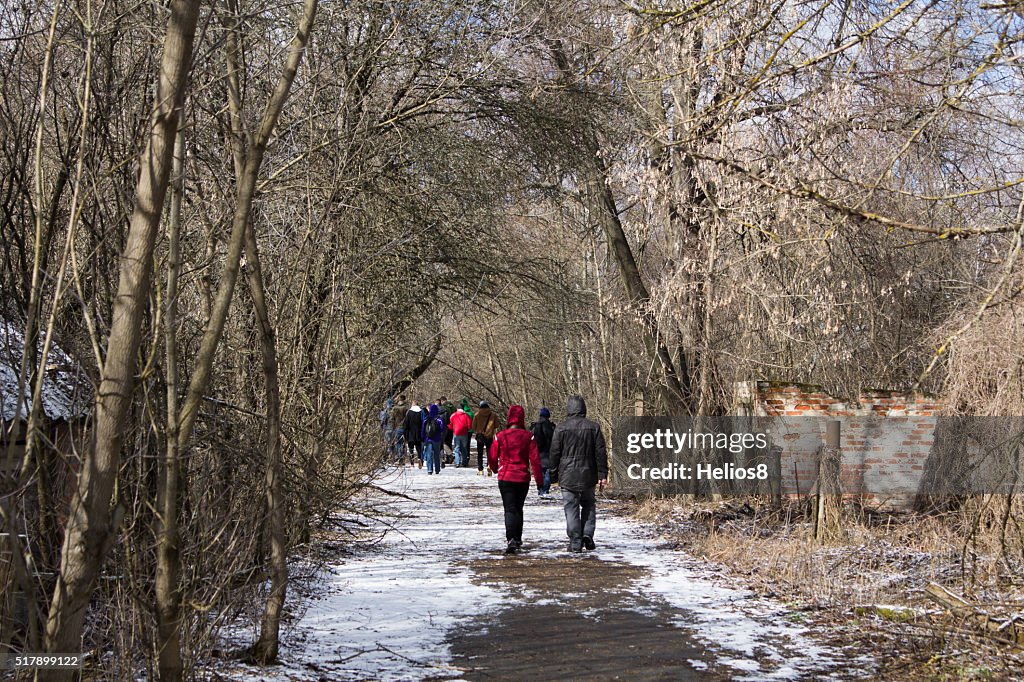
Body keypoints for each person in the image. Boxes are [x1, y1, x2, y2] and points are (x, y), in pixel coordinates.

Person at [549, 395, 607, 553]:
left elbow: (554, 454)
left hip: (568, 475)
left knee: (571, 507)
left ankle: (575, 540)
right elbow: (600, 452)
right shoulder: (594, 427)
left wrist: (553, 475)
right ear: (583, 409)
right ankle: (587, 534)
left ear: (569, 409)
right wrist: (602, 473)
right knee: (588, 504)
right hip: (589, 473)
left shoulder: (560, 429)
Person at [488, 405, 543, 555]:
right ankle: (517, 539)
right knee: (518, 508)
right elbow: (535, 460)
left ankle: (511, 538)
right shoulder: (528, 436)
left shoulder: (501, 436)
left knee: (509, 508)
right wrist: (539, 481)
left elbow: (492, 456)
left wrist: (494, 469)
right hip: (522, 478)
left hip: (505, 477)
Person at [529, 407, 556, 497]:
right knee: (548, 472)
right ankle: (545, 490)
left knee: (540, 472)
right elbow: (554, 439)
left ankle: (540, 489)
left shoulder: (534, 426)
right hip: (548, 453)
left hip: (537, 453)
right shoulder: (550, 426)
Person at [471, 401, 500, 476]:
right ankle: (489, 466)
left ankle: (480, 469)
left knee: (480, 453)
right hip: (489, 436)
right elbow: (497, 425)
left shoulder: (477, 415)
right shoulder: (493, 415)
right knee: (489, 452)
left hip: (480, 435)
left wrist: (478, 429)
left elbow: (473, 427)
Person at [421, 403, 446, 474]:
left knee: (429, 455)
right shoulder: (439, 419)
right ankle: (437, 469)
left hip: (428, 439)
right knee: (436, 455)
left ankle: (429, 469)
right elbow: (442, 429)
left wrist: (423, 437)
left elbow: (423, 429)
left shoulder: (426, 418)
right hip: (437, 439)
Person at [403, 401, 424, 468]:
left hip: (411, 433)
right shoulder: (421, 412)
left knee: (411, 448)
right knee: (419, 448)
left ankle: (412, 462)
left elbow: (406, 424)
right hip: (419, 433)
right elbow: (423, 422)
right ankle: (420, 458)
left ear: (413, 405)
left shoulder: (409, 412)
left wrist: (405, 434)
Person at [390, 395, 409, 464]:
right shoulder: (406, 408)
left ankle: (399, 456)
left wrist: (393, 427)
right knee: (403, 443)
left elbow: (392, 419)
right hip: (404, 427)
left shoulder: (394, 408)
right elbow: (408, 419)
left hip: (397, 427)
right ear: (404, 400)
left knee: (398, 443)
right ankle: (402, 458)